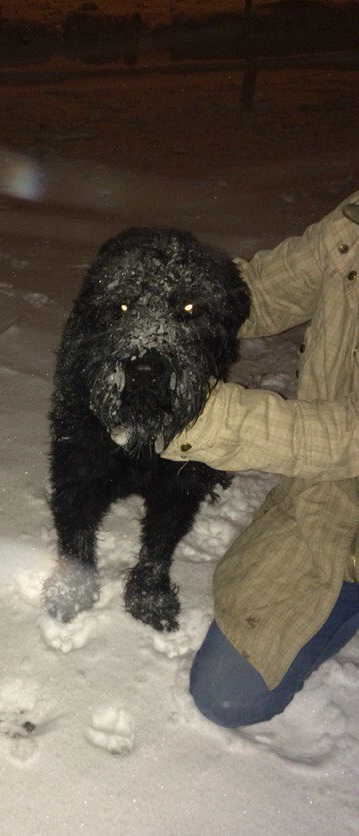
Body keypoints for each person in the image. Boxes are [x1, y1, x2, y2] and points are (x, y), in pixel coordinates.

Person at [159, 191, 359, 727]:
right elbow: (263, 292)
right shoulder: (355, 223)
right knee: (225, 688)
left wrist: (202, 418)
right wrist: (168, 305)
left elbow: (349, 438)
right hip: (327, 498)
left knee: (231, 698)